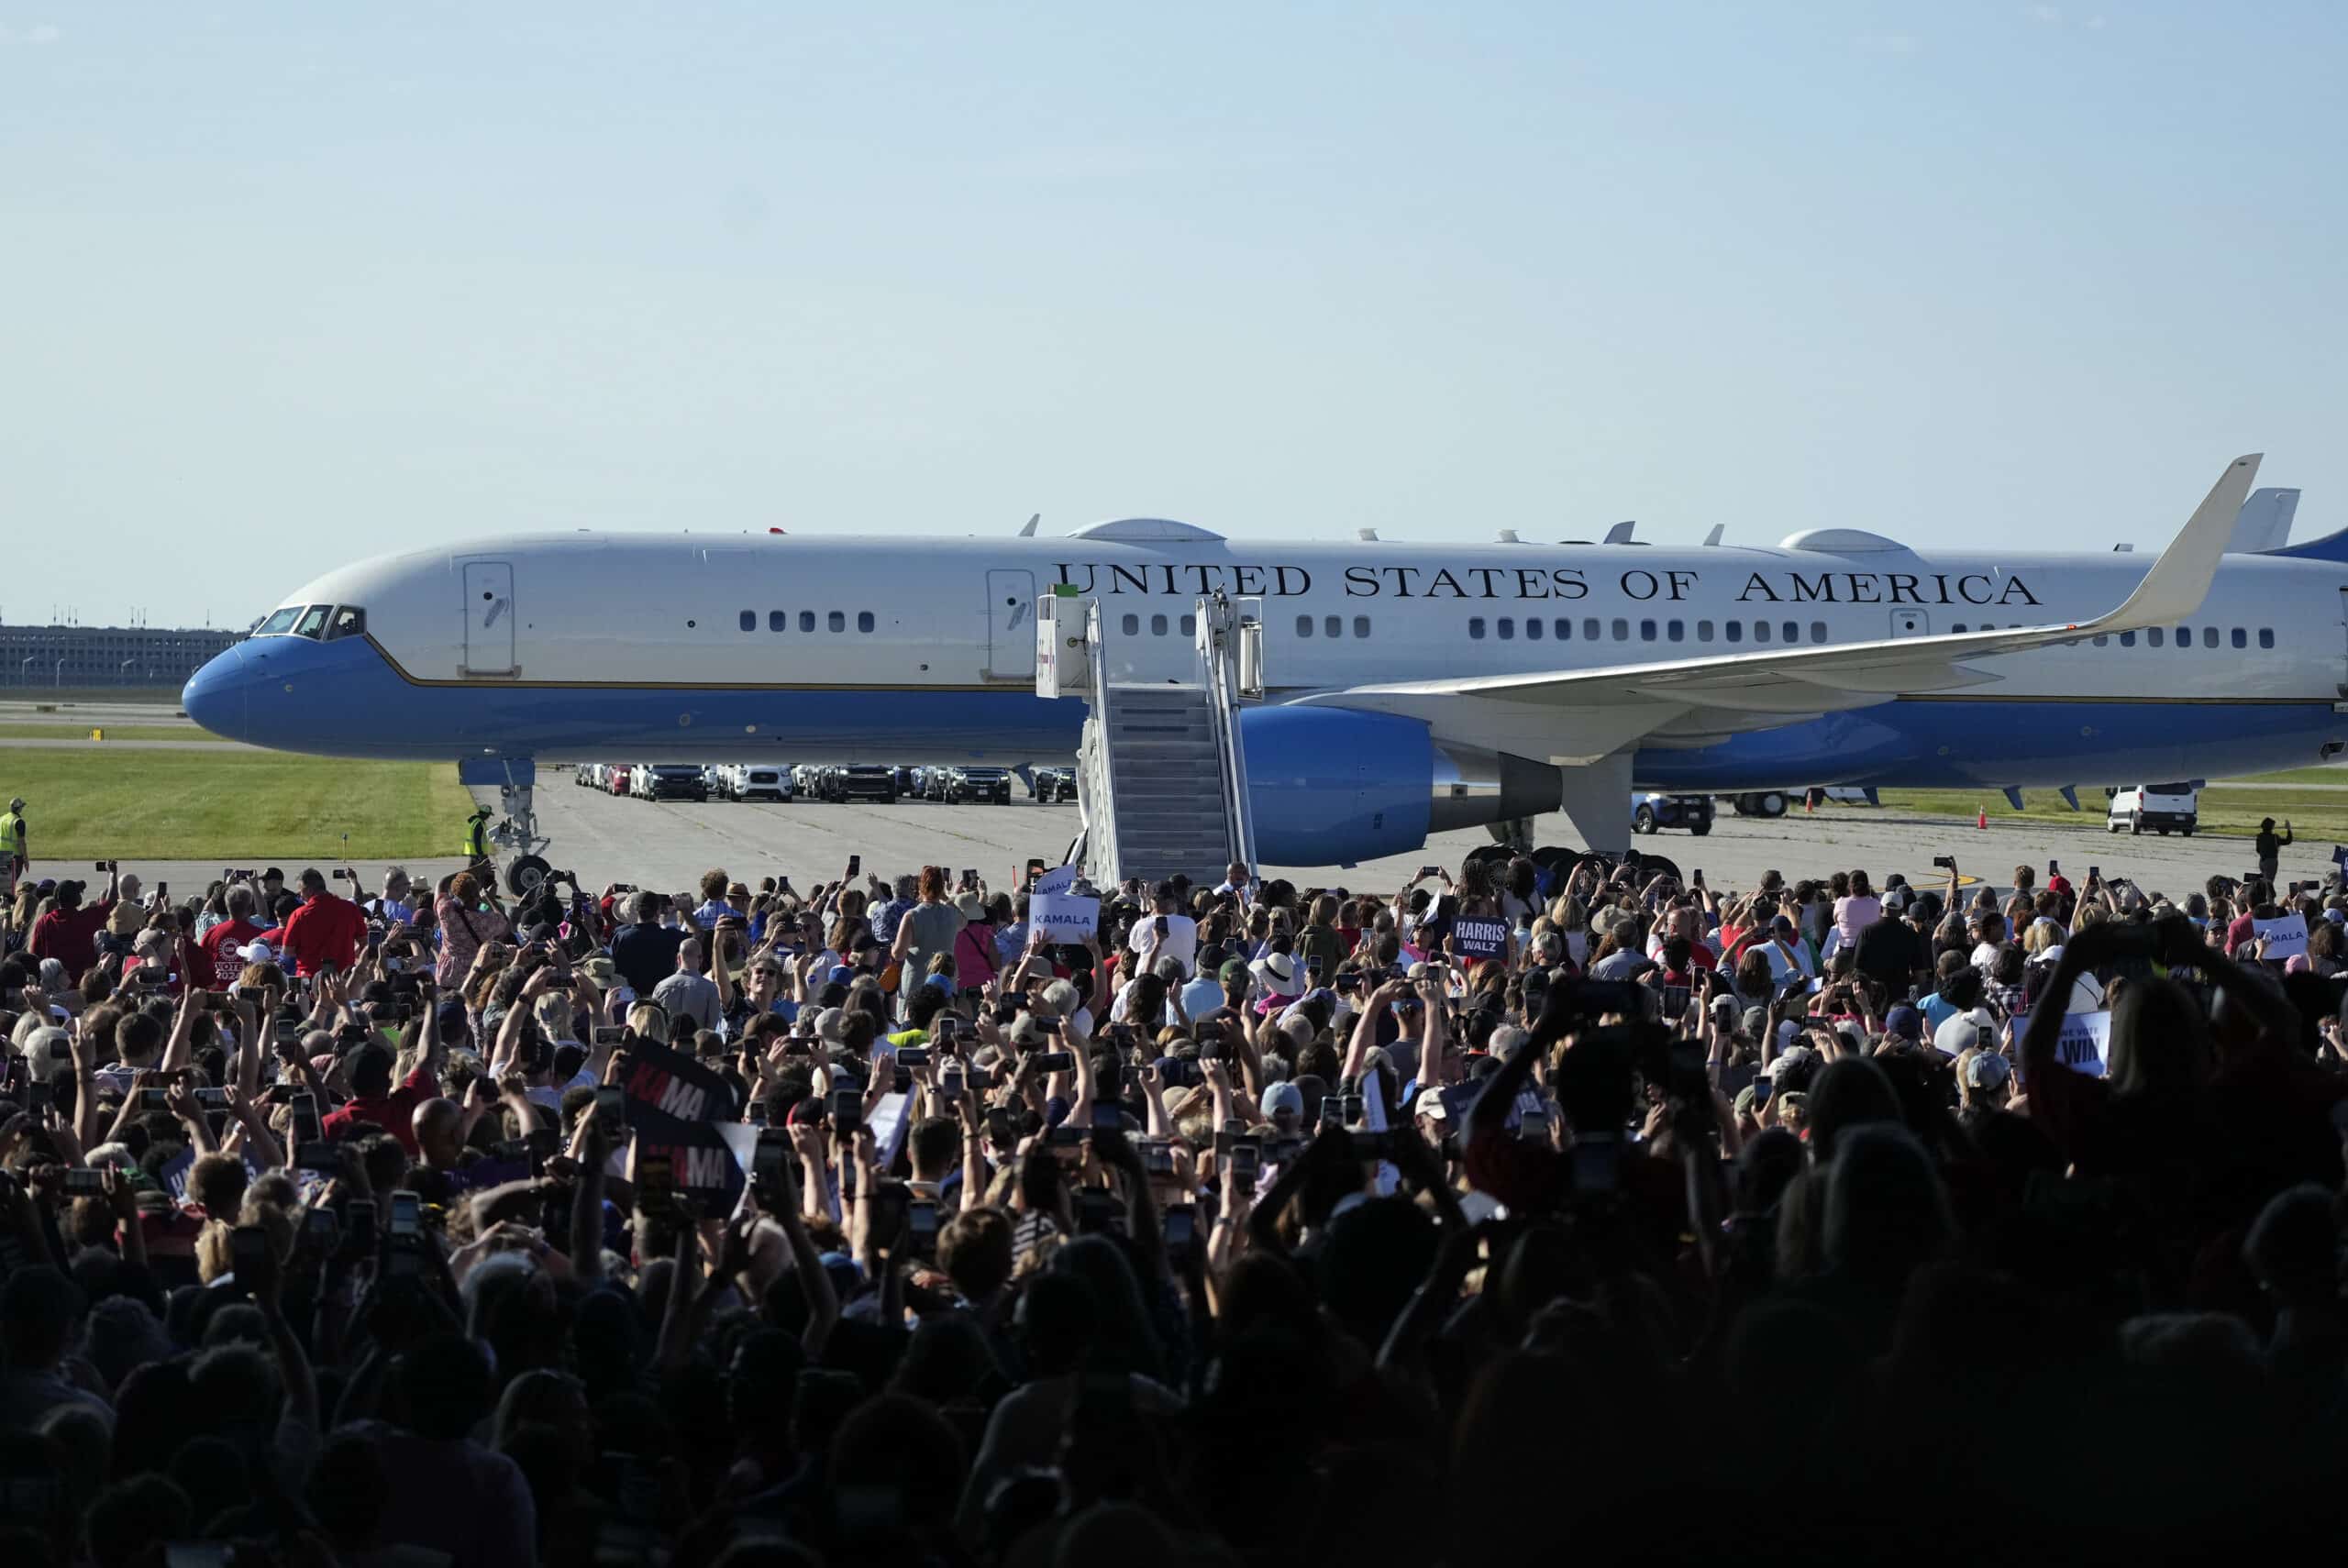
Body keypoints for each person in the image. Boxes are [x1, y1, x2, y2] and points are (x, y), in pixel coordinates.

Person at [891, 866, 964, 1006]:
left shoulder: (912, 915)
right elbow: (964, 922)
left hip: (918, 979)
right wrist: (945, 897)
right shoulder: (952, 914)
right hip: (945, 981)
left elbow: (899, 954)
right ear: (942, 887)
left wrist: (893, 947)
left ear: (920, 886)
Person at [280, 867, 369, 977]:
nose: (300, 896)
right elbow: (364, 942)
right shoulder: (350, 909)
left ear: (308, 890)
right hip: (344, 977)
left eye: (300, 892)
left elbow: (288, 951)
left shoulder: (300, 914)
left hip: (310, 978)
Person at [2257, 816, 2294, 883]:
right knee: (2269, 883)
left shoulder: (2259, 836)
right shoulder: (2274, 837)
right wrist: (2289, 829)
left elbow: (2258, 850)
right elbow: (2288, 841)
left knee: (2265, 881)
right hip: (2271, 862)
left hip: (2262, 861)